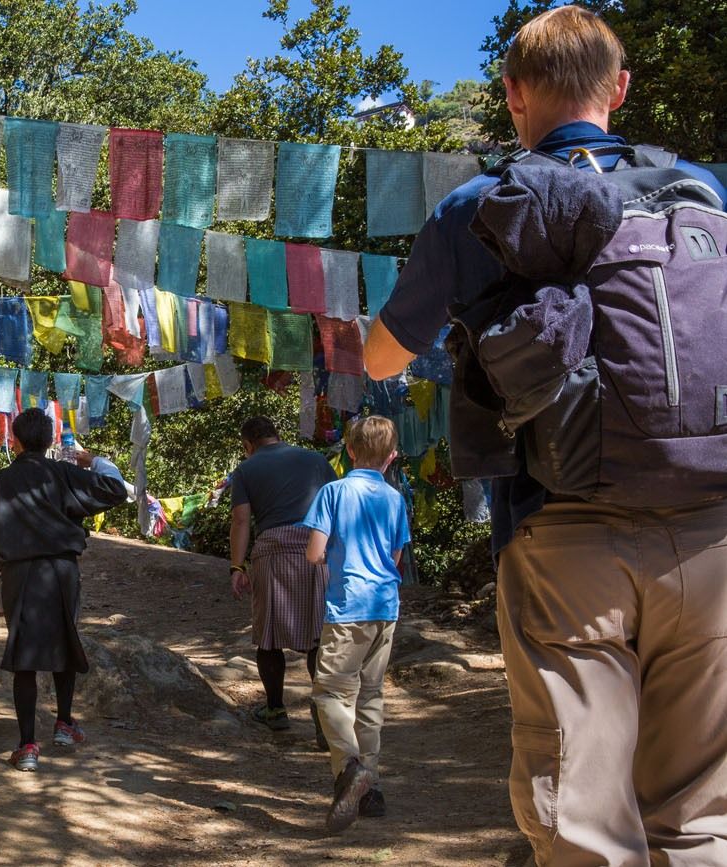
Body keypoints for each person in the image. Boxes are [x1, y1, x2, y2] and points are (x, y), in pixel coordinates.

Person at [362, 6, 727, 862]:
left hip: (561, 528)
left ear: (513, 94)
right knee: (702, 814)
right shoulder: (704, 193)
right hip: (713, 527)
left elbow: (383, 357)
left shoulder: (478, 203)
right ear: (621, 89)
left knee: (584, 820)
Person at [0, 408, 129, 773]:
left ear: (14, 441)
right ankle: (64, 724)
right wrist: (96, 461)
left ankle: (27, 745)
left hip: (18, 575)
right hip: (62, 571)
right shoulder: (64, 473)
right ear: (48, 442)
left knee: (23, 658)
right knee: (66, 645)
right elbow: (116, 490)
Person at [300, 416, 409, 834]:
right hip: (386, 606)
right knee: (371, 696)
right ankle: (373, 789)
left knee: (329, 693)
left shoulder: (333, 492)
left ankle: (350, 768)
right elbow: (396, 558)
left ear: (348, 450)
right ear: (393, 456)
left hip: (347, 606)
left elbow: (314, 554)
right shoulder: (395, 498)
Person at [227, 416, 336, 745]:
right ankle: (326, 717)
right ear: (279, 435)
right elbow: (335, 505)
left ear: (248, 445)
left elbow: (241, 519)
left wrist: (237, 566)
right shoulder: (316, 460)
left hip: (272, 552)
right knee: (318, 635)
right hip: (317, 549)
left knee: (269, 635)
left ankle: (276, 709)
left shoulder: (246, 470)